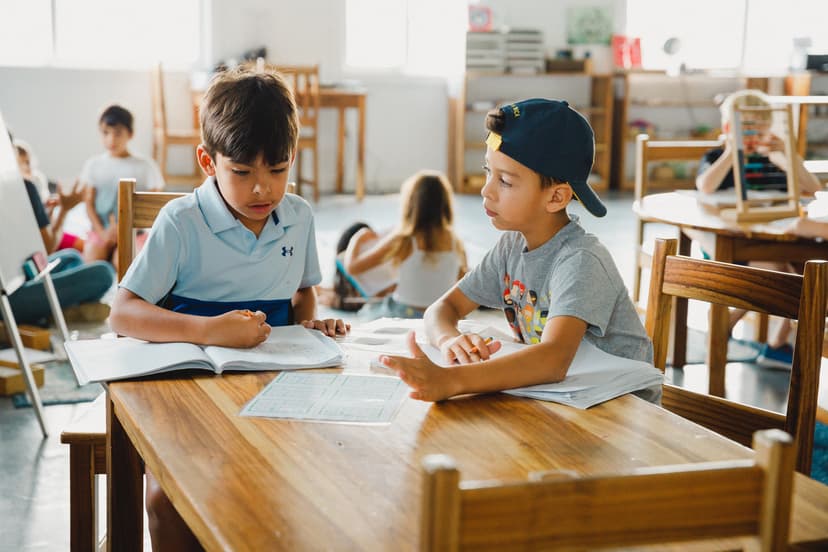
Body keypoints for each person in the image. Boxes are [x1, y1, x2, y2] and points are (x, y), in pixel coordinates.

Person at [108, 66, 348, 552]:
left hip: (275, 390)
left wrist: (309, 322)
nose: (262, 189)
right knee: (167, 501)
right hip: (188, 391)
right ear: (207, 160)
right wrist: (210, 330)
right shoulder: (181, 222)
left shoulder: (298, 217)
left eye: (277, 171)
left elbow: (302, 292)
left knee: (319, 484)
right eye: (242, 172)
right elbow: (123, 313)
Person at [378, 98, 655, 403]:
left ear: (556, 197)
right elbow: (442, 309)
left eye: (505, 181)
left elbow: (552, 360)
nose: (486, 190)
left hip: (622, 410)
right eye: (488, 172)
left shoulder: (581, 261)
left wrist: (452, 380)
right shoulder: (511, 246)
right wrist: (449, 340)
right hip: (562, 401)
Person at [695, 90, 822, 368]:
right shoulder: (717, 156)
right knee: (784, 277)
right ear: (729, 129)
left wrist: (788, 155)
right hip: (727, 244)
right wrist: (731, 149)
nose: (754, 137)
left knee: (796, 275)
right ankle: (771, 341)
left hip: (770, 241)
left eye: (760, 130)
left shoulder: (767, 162)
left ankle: (772, 341)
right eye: (747, 129)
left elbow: (813, 189)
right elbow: (705, 186)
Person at [5, 132, 115, 325]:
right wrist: (64, 210)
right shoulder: (22, 187)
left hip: (14, 278)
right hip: (10, 299)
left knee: (72, 257)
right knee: (103, 273)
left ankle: (57, 310)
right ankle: (55, 313)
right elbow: (44, 249)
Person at [342, 170, 467, 319]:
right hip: (440, 316)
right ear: (446, 205)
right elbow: (461, 286)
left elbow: (352, 268)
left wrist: (357, 238)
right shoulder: (456, 242)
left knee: (366, 312)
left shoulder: (403, 239)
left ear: (411, 204)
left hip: (403, 314)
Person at [79, 104, 165, 268]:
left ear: (130, 134)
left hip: (134, 231)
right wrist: (102, 232)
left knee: (125, 264)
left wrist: (125, 230)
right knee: (92, 262)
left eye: (118, 133)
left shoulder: (145, 166)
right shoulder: (94, 165)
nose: (111, 139)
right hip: (101, 230)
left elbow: (153, 205)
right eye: (106, 133)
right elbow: (88, 203)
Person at [16, 139, 85, 252]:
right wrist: (64, 210)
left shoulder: (37, 183)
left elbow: (47, 228)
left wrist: (51, 211)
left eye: (28, 162)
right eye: (22, 163)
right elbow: (48, 246)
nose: (26, 167)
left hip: (53, 234)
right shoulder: (28, 188)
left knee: (84, 244)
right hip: (50, 245)